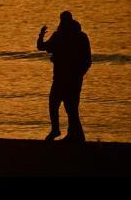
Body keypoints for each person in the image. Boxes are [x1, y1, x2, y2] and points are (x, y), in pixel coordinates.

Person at [37, 10, 92, 142]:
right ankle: (72, 134)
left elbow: (41, 46)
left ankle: (70, 133)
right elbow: (42, 47)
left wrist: (79, 73)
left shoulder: (66, 36)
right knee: (68, 107)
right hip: (68, 78)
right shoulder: (77, 36)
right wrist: (41, 35)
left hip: (66, 79)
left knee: (64, 106)